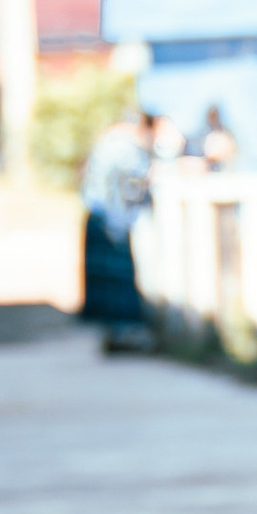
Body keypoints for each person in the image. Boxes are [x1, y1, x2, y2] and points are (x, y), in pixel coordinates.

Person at [78, 106, 159, 350]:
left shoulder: (109, 141)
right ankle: (124, 336)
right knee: (117, 281)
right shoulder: (127, 148)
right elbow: (129, 188)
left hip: (97, 215)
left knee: (106, 285)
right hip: (110, 220)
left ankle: (114, 336)